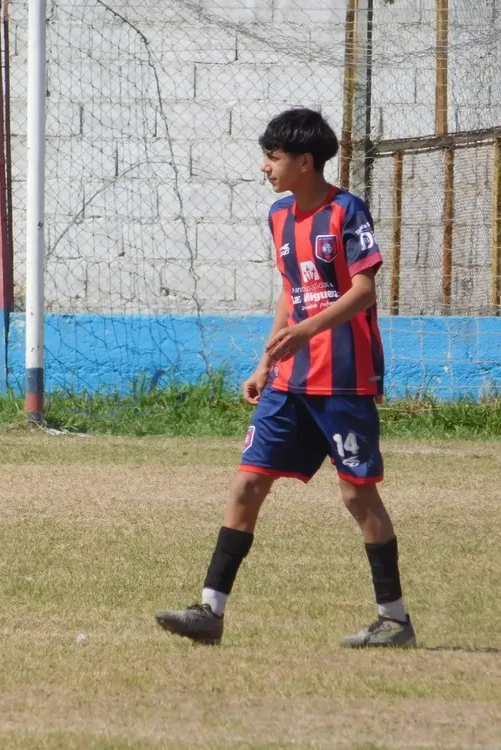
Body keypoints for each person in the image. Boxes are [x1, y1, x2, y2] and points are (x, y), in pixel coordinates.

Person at [154, 108, 415, 648]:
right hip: (289, 382)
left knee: (357, 496)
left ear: (305, 161)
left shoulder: (347, 211)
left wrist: (308, 332)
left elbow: (364, 291)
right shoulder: (279, 217)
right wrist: (267, 361)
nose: (264, 168)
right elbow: (291, 290)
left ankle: (395, 620)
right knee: (247, 483)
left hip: (343, 379)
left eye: (272, 158)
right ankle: (210, 611)